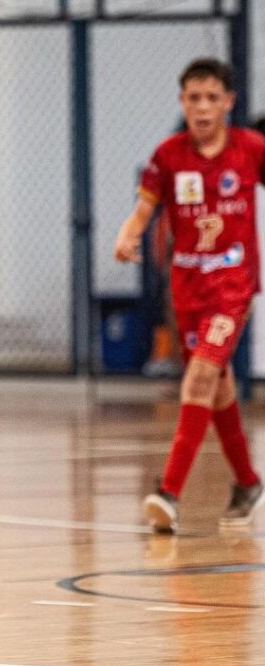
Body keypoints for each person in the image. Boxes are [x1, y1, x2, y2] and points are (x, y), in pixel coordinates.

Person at [114, 58, 265, 533]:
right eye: (193, 98)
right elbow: (145, 208)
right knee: (216, 389)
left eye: (211, 98)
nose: (202, 107)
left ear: (228, 102)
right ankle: (247, 482)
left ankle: (169, 493)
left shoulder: (250, 149)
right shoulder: (169, 155)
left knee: (199, 380)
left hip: (232, 286)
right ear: (183, 102)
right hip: (187, 288)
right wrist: (128, 234)